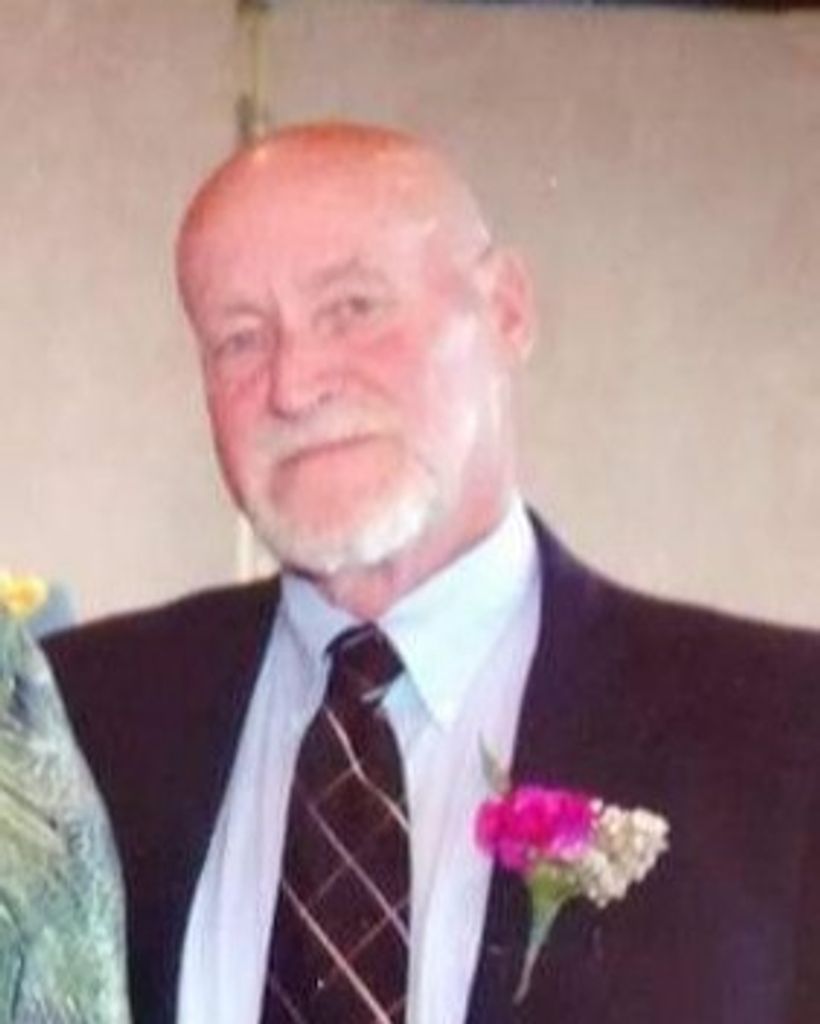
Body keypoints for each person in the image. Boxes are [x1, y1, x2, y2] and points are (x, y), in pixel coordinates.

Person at [45, 122, 820, 1024]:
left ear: (507, 310)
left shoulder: (783, 733)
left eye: (352, 308)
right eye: (239, 340)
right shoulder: (68, 721)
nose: (295, 384)